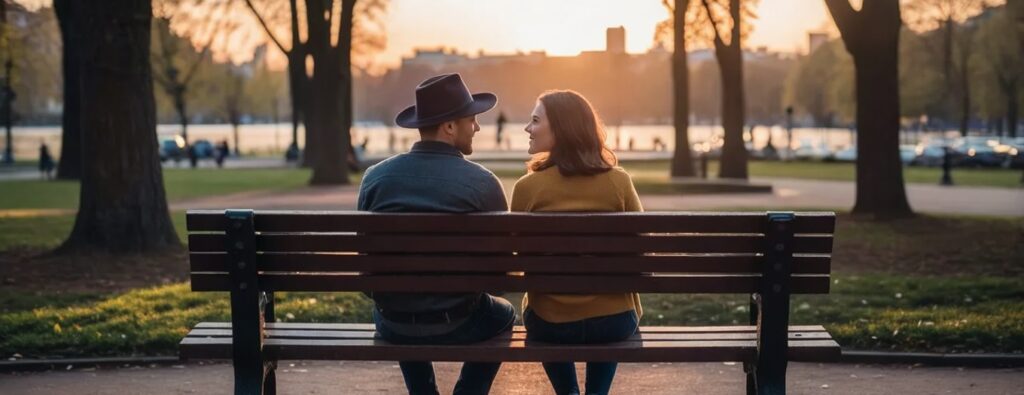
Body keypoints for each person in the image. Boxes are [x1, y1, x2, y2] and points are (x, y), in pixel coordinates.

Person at [357, 73, 516, 395]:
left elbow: (368, 274)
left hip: (394, 322)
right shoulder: (482, 183)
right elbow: (501, 280)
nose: (478, 128)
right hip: (458, 322)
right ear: (449, 126)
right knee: (505, 314)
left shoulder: (375, 178)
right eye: (472, 120)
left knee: (401, 301)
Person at [511, 89, 642, 395]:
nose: (527, 129)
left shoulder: (528, 188)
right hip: (614, 321)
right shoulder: (618, 182)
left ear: (560, 128)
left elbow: (516, 256)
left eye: (534, 121)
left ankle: (567, 391)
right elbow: (640, 250)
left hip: (550, 322)